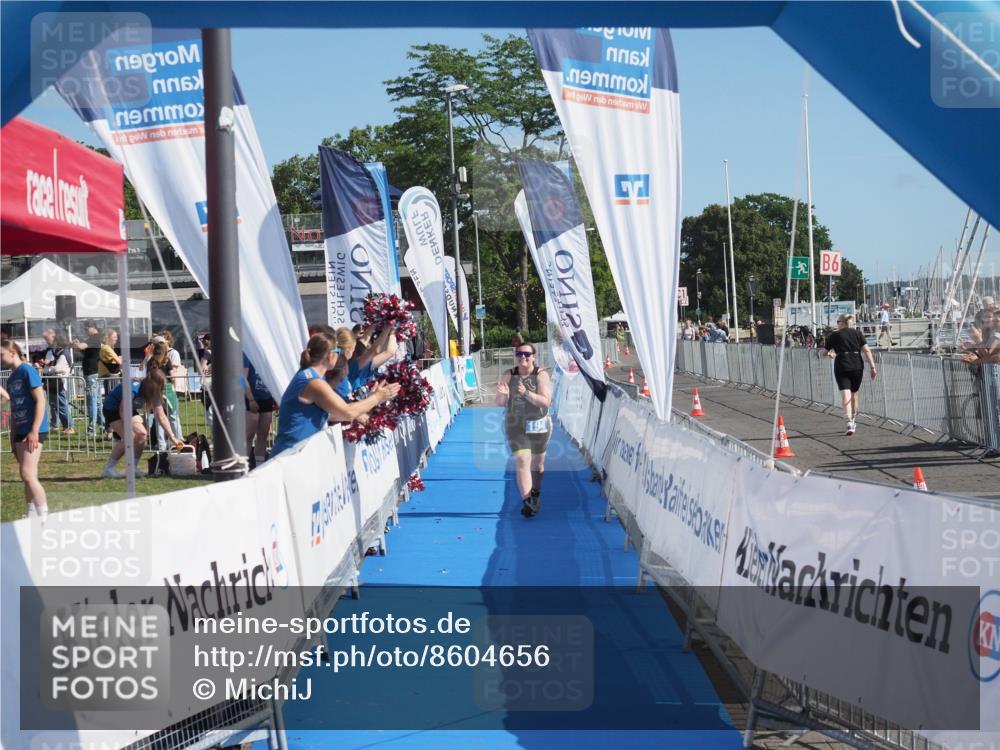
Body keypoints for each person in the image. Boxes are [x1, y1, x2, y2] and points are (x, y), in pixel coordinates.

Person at [271, 333, 400, 456]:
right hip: (290, 454)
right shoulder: (314, 382)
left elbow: (331, 414)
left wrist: (367, 404)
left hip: (296, 453)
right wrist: (376, 398)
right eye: (338, 352)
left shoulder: (311, 376)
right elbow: (348, 412)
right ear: (330, 355)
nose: (339, 356)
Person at [495, 342, 553, 518]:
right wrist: (503, 395)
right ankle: (527, 501)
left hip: (539, 424)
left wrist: (526, 393)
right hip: (516, 425)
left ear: (533, 357)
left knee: (538, 466)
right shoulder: (509, 374)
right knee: (522, 460)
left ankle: (535, 492)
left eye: (527, 354)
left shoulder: (541, 375)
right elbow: (499, 403)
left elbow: (545, 401)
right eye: (519, 354)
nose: (523, 357)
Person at [101, 368, 185, 479]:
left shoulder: (154, 393)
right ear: (153, 385)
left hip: (127, 409)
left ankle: (133, 468)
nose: (162, 389)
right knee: (129, 438)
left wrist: (173, 437)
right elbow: (122, 410)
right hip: (112, 409)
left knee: (142, 434)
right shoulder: (133, 388)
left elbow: (162, 417)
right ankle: (108, 469)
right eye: (161, 386)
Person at [2, 338, 49, 519]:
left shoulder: (27, 370)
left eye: (1, 354)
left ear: (12, 353)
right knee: (28, 476)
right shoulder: (11, 378)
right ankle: (31, 514)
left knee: (27, 474)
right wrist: (12, 438)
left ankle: (44, 516)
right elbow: (14, 410)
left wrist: (34, 430)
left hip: (33, 429)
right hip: (20, 430)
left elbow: (40, 400)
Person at [819, 314, 877, 436]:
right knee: (854, 395)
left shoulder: (834, 335)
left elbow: (823, 352)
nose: (837, 324)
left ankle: (849, 422)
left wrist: (826, 354)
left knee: (846, 395)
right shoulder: (858, 333)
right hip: (857, 365)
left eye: (837, 322)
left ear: (842, 322)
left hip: (842, 366)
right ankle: (853, 419)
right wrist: (872, 367)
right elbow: (866, 350)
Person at [39, 327, 75, 434]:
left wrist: (46, 369)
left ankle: (70, 426)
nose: (46, 341)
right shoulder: (52, 351)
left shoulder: (63, 352)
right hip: (52, 382)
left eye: (47, 338)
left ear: (54, 337)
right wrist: (46, 367)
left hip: (60, 382)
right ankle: (65, 426)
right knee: (56, 405)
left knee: (62, 405)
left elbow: (59, 368)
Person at [243, 353, 276, 466]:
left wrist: (275, 397)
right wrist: (251, 399)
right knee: (248, 435)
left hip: (266, 398)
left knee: (263, 435)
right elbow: (242, 378)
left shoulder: (268, 353)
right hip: (251, 398)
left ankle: (259, 465)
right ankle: (244, 466)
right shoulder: (247, 354)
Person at [73, 320, 104, 436]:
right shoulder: (95, 338)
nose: (85, 331)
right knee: (97, 401)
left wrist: (76, 343)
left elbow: (81, 346)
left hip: (92, 373)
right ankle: (104, 426)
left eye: (86, 329)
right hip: (94, 372)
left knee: (92, 401)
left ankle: (92, 429)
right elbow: (84, 349)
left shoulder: (94, 338)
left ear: (92, 327)